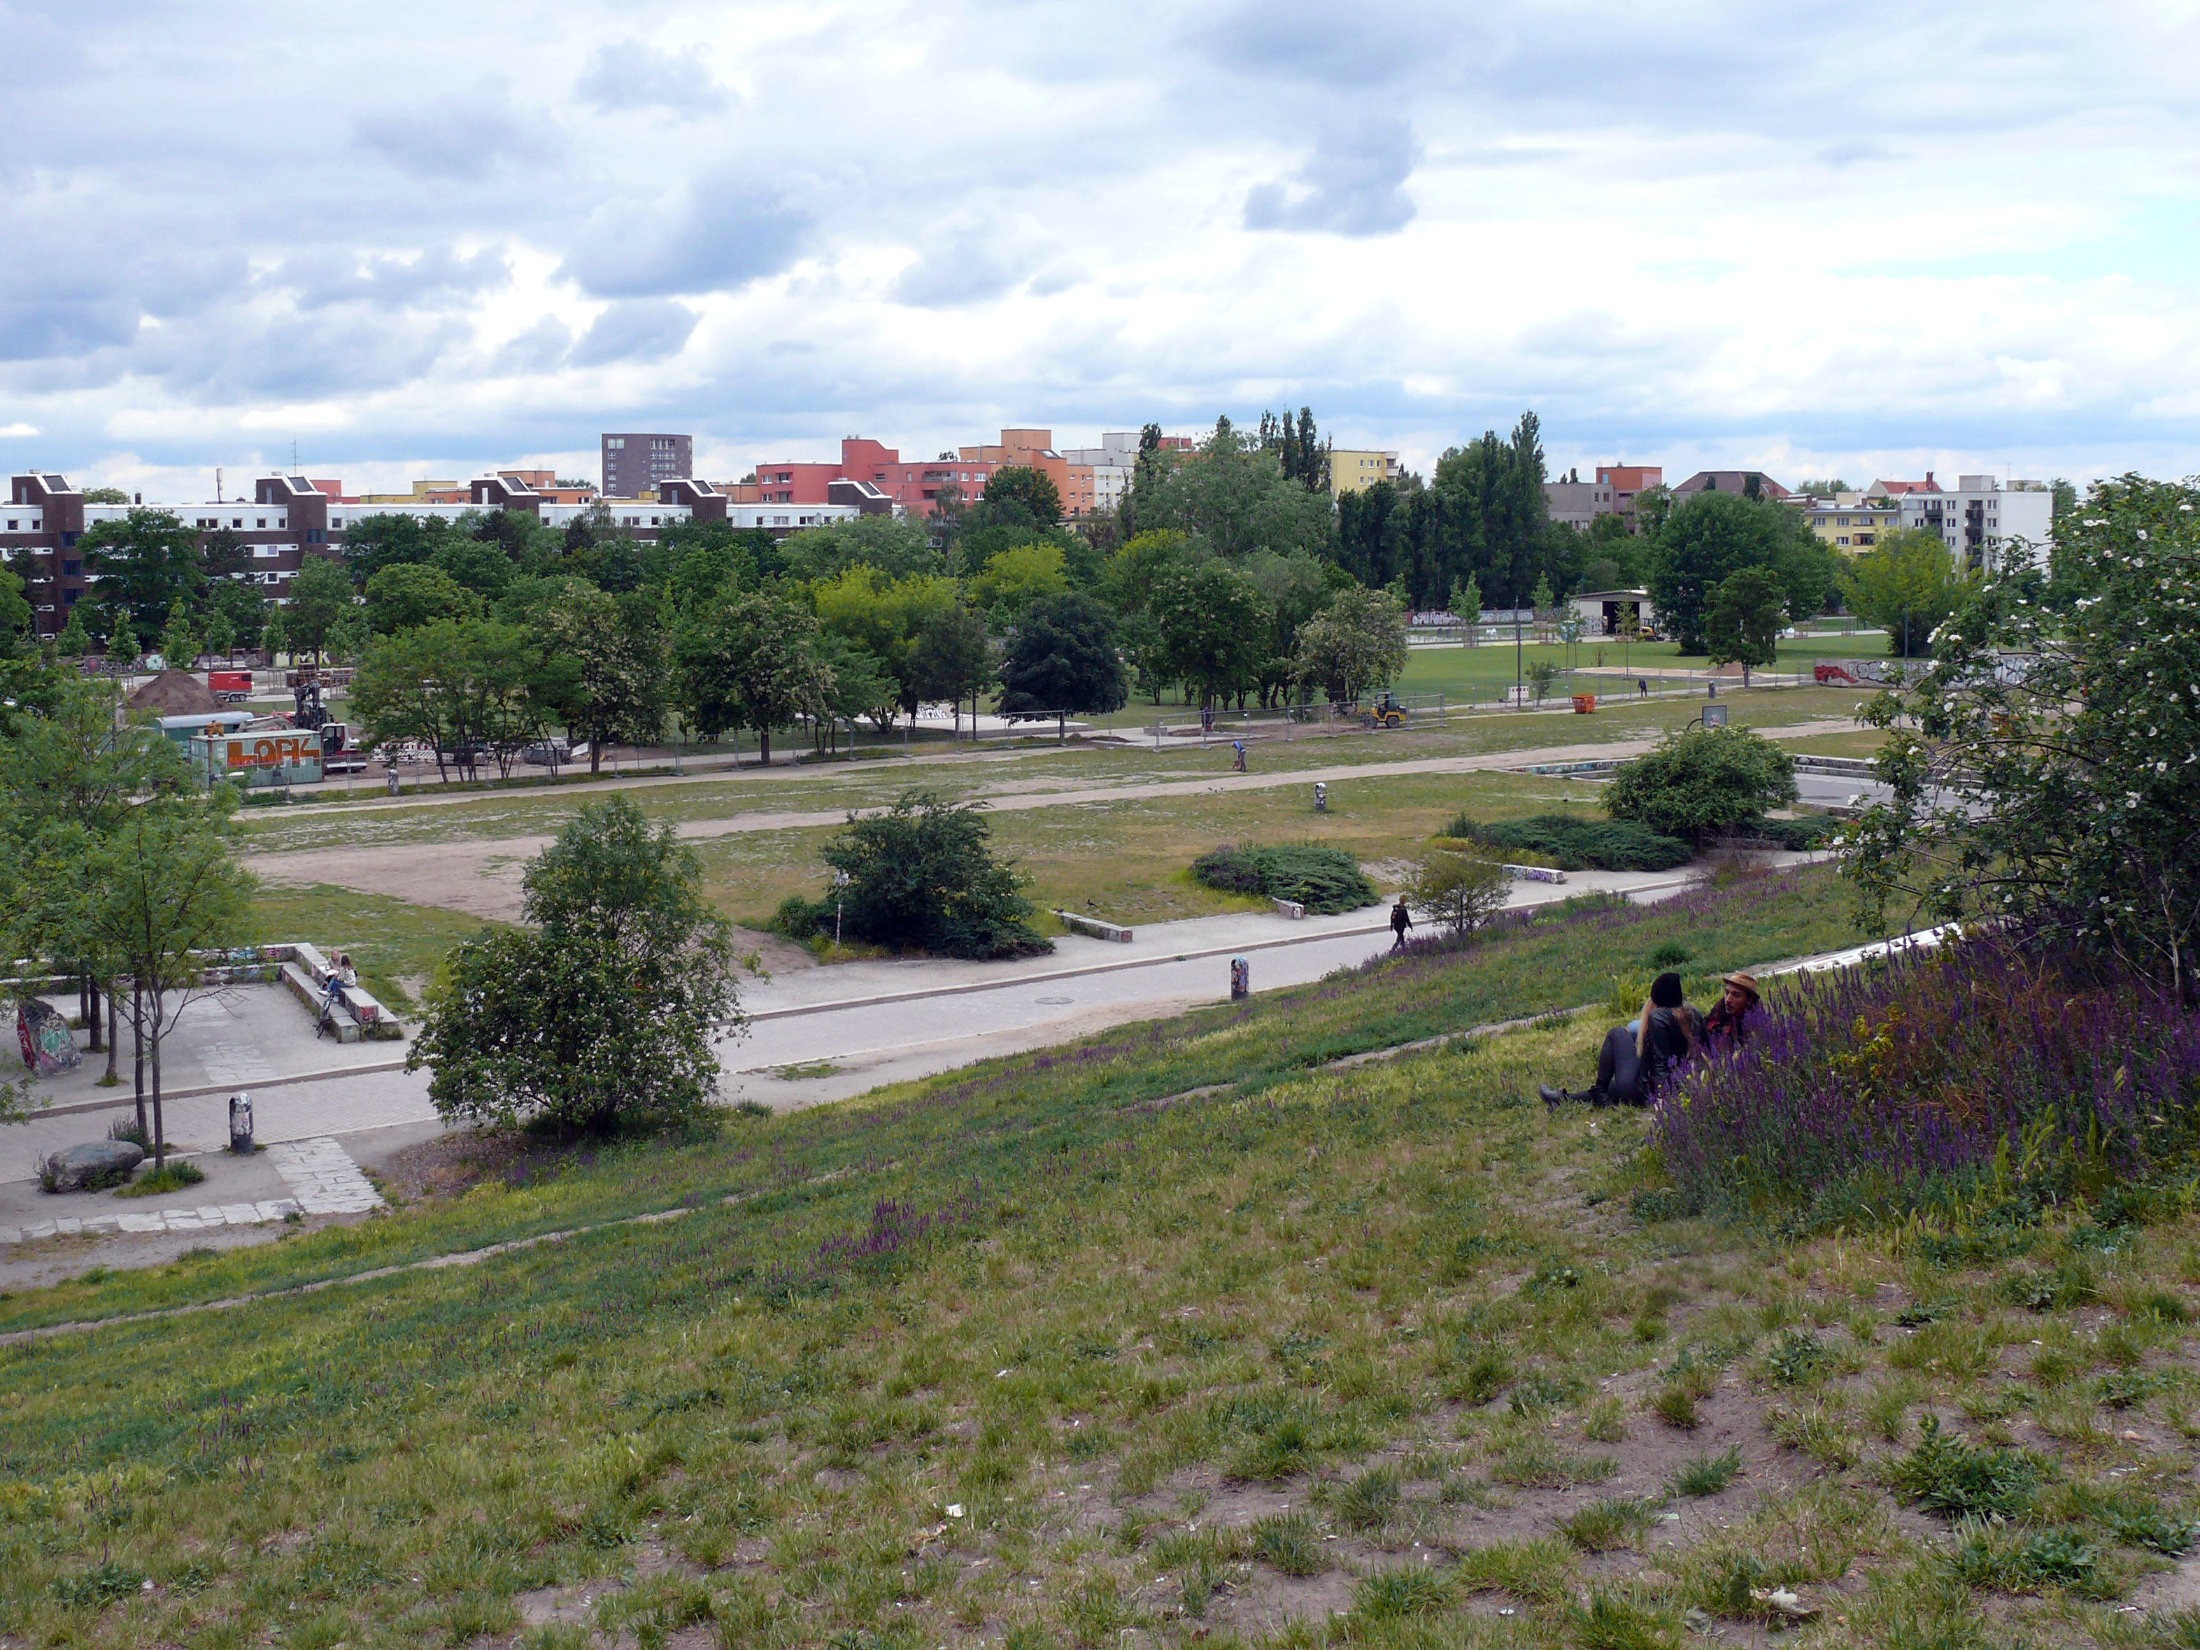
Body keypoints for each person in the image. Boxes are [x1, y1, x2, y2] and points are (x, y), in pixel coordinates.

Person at [1540, 971, 1701, 1108]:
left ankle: (1599, 1091)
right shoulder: (1693, 1014)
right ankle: (1563, 1099)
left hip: (1643, 1091)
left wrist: (1663, 1098)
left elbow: (1661, 1063)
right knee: (1612, 1087)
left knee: (1617, 1034)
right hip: (1670, 1084)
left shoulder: (1657, 1019)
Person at [1703, 971, 1761, 1050]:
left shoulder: (1754, 1024)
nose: (1728, 1000)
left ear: (1749, 1000)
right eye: (1727, 993)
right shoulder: (1716, 1014)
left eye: (1736, 995)